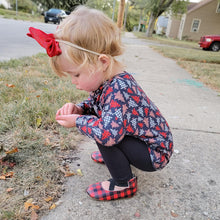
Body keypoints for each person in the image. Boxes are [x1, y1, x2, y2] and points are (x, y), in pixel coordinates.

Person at [27, 6, 173, 201]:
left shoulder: (118, 89)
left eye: (76, 74)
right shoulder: (110, 81)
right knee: (98, 123)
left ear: (102, 62)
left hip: (154, 153)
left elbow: (108, 134)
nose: (73, 81)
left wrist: (78, 121)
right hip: (144, 143)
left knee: (103, 132)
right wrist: (80, 109)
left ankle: (123, 183)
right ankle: (117, 159)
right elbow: (97, 102)